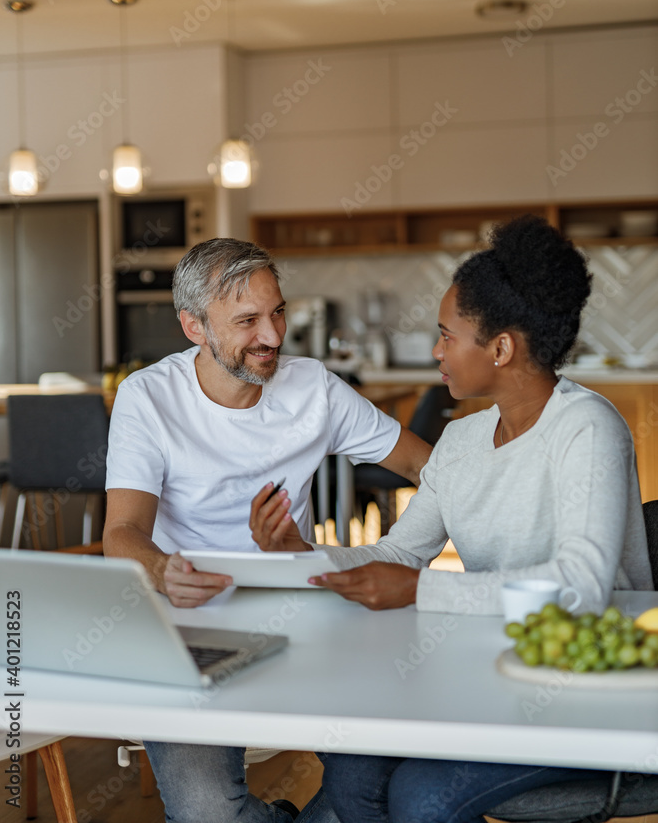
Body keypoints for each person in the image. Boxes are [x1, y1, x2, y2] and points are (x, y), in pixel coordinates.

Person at [249, 215, 653, 823]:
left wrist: (422, 590)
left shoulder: (587, 429)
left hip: (591, 696)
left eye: (446, 335)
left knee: (422, 795)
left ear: (501, 348)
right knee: (354, 758)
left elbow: (582, 586)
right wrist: (301, 553)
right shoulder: (461, 443)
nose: (435, 351)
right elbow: (399, 553)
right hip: (490, 675)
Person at [103, 236, 432, 823]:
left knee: (382, 779)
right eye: (248, 320)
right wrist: (162, 569)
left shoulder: (314, 388)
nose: (273, 336)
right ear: (194, 326)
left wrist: (406, 552)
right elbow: (123, 532)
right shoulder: (147, 398)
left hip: (303, 611)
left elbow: (423, 467)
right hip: (187, 627)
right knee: (207, 814)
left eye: (278, 311)